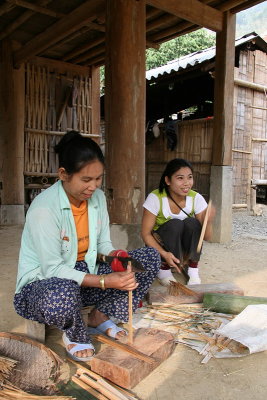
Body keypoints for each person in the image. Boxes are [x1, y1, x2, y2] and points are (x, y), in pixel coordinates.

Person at [14, 131, 161, 362]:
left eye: (98, 178)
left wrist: (117, 258)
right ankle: (75, 334)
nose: (93, 187)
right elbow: (52, 270)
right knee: (62, 292)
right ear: (63, 174)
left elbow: (102, 244)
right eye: (86, 180)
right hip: (42, 285)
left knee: (149, 258)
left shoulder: (98, 199)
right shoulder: (44, 208)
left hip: (84, 273)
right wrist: (106, 281)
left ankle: (100, 316)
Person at [141, 158, 215, 286]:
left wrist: (208, 221)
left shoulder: (196, 198)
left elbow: (207, 237)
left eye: (189, 177)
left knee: (193, 223)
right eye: (180, 178)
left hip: (183, 250)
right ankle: (163, 270)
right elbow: (145, 234)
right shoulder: (155, 198)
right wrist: (163, 253)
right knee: (175, 224)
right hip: (161, 249)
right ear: (168, 180)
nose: (186, 183)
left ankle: (192, 270)